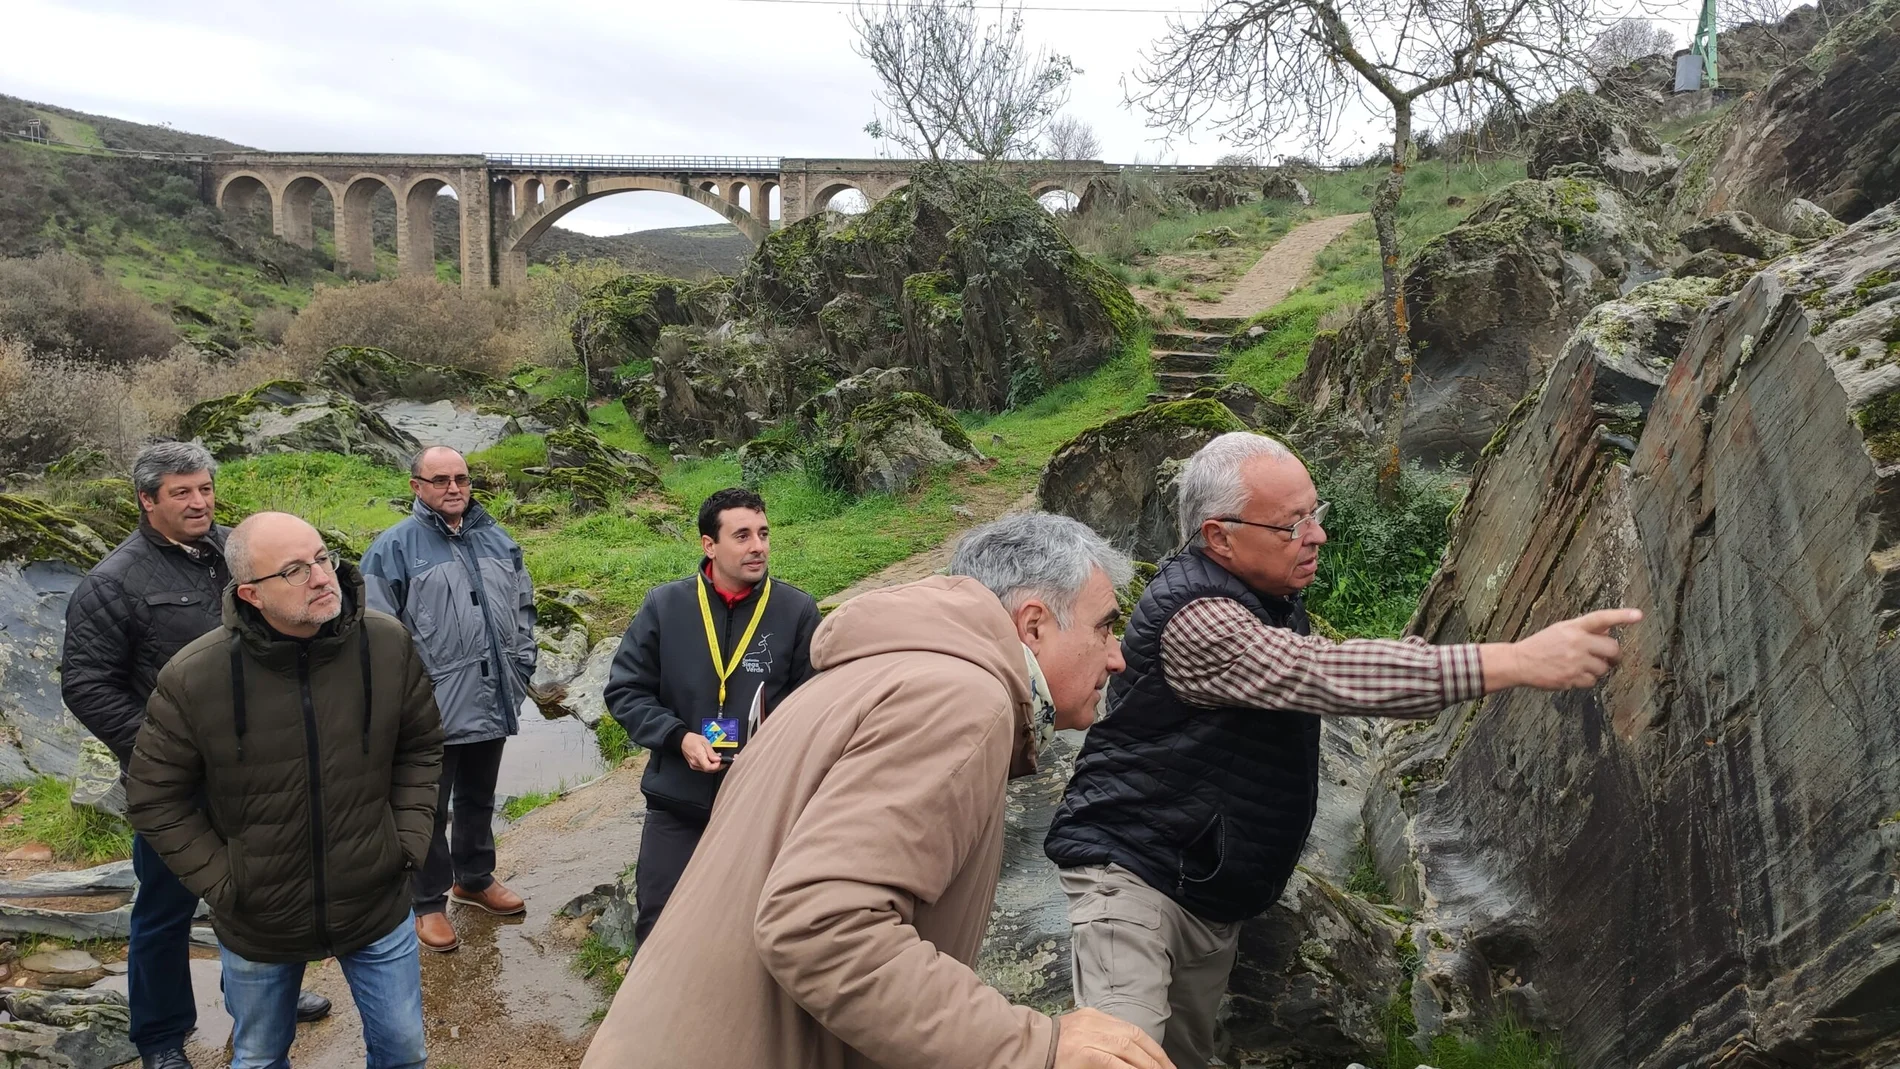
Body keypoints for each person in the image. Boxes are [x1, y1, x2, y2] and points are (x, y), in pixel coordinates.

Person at [1043, 432, 1644, 1069]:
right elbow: (1325, 674)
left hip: (1203, 884)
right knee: (1118, 1056)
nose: (1317, 535)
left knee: (1181, 1059)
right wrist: (1518, 659)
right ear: (1218, 536)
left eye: (1314, 513)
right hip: (1131, 873)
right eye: (1291, 524)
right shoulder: (1196, 619)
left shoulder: (1262, 593)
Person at [581, 511, 1175, 1069]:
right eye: (1105, 627)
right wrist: (1035, 1045)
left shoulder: (875, 672)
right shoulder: (960, 698)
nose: (1118, 657)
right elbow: (819, 925)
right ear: (1035, 624)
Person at [125, 512, 444, 1069]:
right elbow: (155, 797)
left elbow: (419, 748)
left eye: (323, 557)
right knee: (259, 1057)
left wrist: (406, 844)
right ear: (250, 592)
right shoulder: (194, 677)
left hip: (376, 899)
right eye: (295, 570)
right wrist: (226, 882)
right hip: (259, 919)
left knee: (404, 1052)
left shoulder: (387, 645)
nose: (322, 577)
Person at [58, 443, 330, 1069]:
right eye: (182, 492)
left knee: (263, 892)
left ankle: (267, 1001)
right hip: (176, 786)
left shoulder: (237, 554)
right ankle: (159, 1037)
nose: (200, 502)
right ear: (148, 500)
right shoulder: (112, 582)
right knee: (164, 909)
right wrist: (161, 751)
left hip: (260, 771)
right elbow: (87, 685)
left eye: (205, 488)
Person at [603, 486, 822, 945]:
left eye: (763, 533)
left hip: (762, 804)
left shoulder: (797, 611)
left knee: (752, 934)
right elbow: (626, 690)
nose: (758, 546)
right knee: (660, 928)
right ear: (709, 545)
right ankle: (653, 1016)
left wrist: (774, 751)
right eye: (742, 535)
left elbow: (815, 705)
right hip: (678, 801)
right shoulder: (665, 606)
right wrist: (677, 736)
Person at [360, 445, 537, 954]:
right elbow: (375, 634)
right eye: (440, 480)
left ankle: (476, 879)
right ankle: (428, 902)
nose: (453, 488)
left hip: (493, 695)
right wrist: (406, 701)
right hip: (430, 709)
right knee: (427, 808)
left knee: (479, 796)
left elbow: (524, 606)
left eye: (461, 478)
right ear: (417, 486)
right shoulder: (392, 549)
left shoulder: (497, 539)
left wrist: (521, 667)